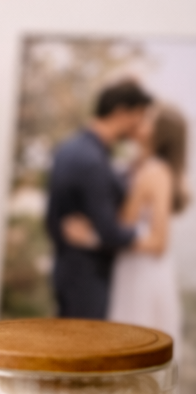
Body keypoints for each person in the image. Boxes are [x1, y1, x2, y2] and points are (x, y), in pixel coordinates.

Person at [63, 104, 190, 344]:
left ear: (159, 132)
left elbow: (158, 242)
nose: (139, 121)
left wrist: (92, 238)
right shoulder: (132, 165)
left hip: (143, 273)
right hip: (129, 267)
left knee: (135, 344)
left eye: (147, 119)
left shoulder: (156, 172)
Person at [44, 78, 152, 319]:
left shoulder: (69, 149)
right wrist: (147, 234)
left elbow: (52, 220)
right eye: (139, 115)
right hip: (89, 279)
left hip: (68, 270)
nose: (140, 124)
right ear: (121, 112)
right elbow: (109, 232)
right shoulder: (92, 160)